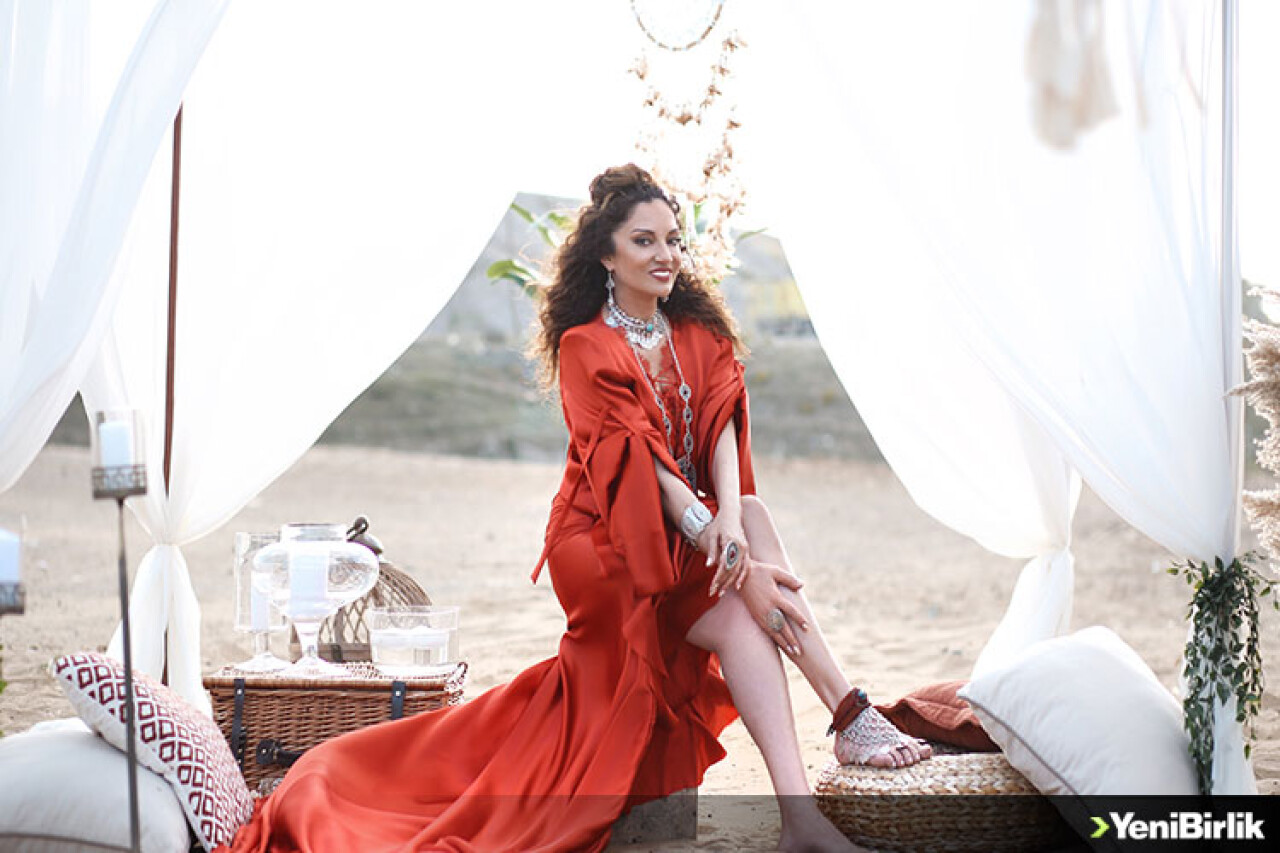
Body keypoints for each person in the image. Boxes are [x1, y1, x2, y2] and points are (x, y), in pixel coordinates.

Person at [221, 165, 929, 853]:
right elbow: (640, 460)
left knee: (753, 538)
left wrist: (732, 527)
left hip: (694, 533)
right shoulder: (586, 345)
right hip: (605, 537)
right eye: (644, 241)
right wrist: (716, 540)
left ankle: (804, 805)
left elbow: (722, 423)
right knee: (741, 587)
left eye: (673, 240)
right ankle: (847, 713)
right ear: (607, 255)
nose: (665, 254)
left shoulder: (696, 331)